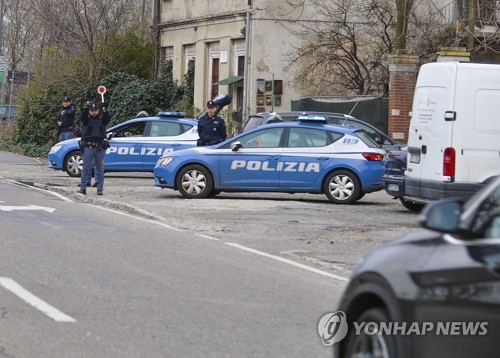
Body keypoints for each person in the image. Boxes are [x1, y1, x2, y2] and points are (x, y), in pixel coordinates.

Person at [77, 102, 110, 196]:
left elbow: (107, 118)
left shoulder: (102, 120)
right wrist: (85, 109)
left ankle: (100, 189)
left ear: (98, 111)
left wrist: (105, 110)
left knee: (100, 168)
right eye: (92, 110)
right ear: (89, 111)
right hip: (88, 146)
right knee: (86, 168)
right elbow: (83, 117)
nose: (94, 112)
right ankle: (83, 188)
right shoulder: (86, 120)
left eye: (95, 110)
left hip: (100, 147)